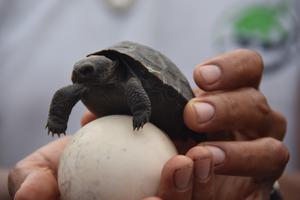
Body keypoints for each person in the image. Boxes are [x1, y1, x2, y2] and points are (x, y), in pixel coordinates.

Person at [6, 50, 289, 199]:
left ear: (109, 67)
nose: (80, 76)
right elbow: (65, 95)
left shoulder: (129, 76)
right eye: (79, 73)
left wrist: (270, 190)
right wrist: (57, 119)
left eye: (88, 71)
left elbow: (133, 83)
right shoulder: (87, 83)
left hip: (177, 127)